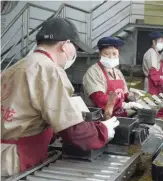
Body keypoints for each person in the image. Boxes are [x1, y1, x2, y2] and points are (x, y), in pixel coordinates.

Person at [1, 17, 120, 176]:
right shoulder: (50, 70)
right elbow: (73, 131)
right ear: (65, 45)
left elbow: (27, 112)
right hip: (17, 160)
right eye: (75, 48)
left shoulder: (16, 66)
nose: (75, 54)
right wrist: (103, 130)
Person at [83, 37, 143, 117]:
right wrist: (125, 105)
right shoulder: (93, 72)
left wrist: (131, 96)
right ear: (100, 54)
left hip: (120, 116)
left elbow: (123, 93)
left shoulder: (118, 72)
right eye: (107, 54)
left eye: (114, 54)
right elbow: (100, 99)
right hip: (101, 118)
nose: (111, 57)